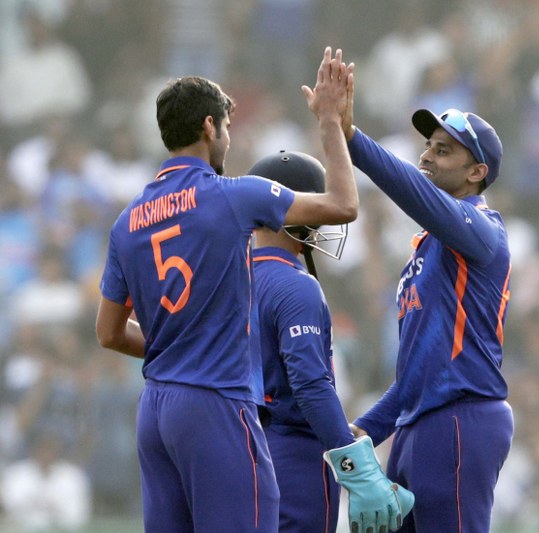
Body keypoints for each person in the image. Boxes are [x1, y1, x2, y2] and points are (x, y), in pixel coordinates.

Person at [94, 47, 360, 533]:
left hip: (155, 411)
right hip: (216, 405)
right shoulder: (234, 194)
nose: (229, 141)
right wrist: (328, 121)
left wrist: (177, 353)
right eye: (228, 129)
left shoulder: (126, 222)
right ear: (210, 127)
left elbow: (109, 334)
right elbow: (343, 205)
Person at [340, 64, 515, 530]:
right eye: (428, 146)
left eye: (444, 150)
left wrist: (351, 137)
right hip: (419, 423)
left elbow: (414, 193)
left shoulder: (483, 229)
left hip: (460, 419)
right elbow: (420, 369)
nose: (428, 156)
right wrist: (364, 431)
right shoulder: (427, 247)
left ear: (478, 172)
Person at [248, 150, 413, 532]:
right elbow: (308, 384)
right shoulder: (295, 285)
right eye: (315, 205)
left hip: (240, 449)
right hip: (293, 454)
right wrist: (358, 467)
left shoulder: (229, 281)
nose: (323, 217)